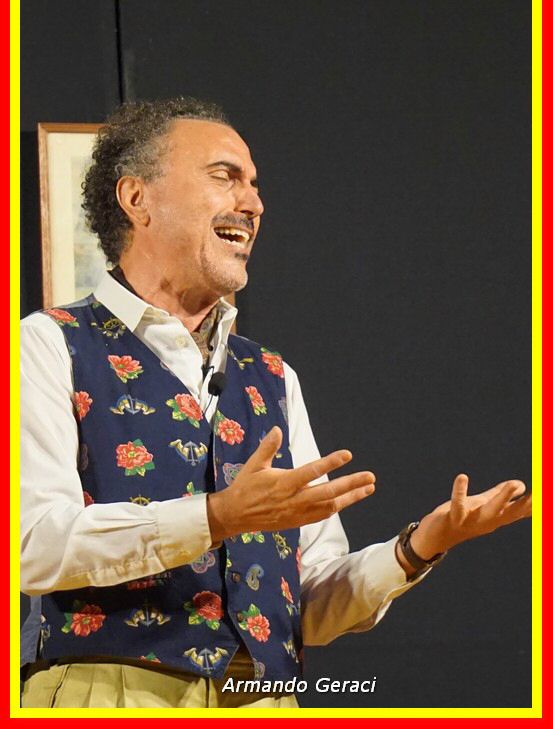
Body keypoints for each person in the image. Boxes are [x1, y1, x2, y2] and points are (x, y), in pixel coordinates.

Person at [20, 98, 532, 709]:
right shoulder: (47, 344)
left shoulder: (271, 376)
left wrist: (417, 546)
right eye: (225, 176)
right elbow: (33, 544)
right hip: (111, 693)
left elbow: (308, 603)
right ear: (138, 198)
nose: (254, 203)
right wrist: (215, 516)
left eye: (255, 185)